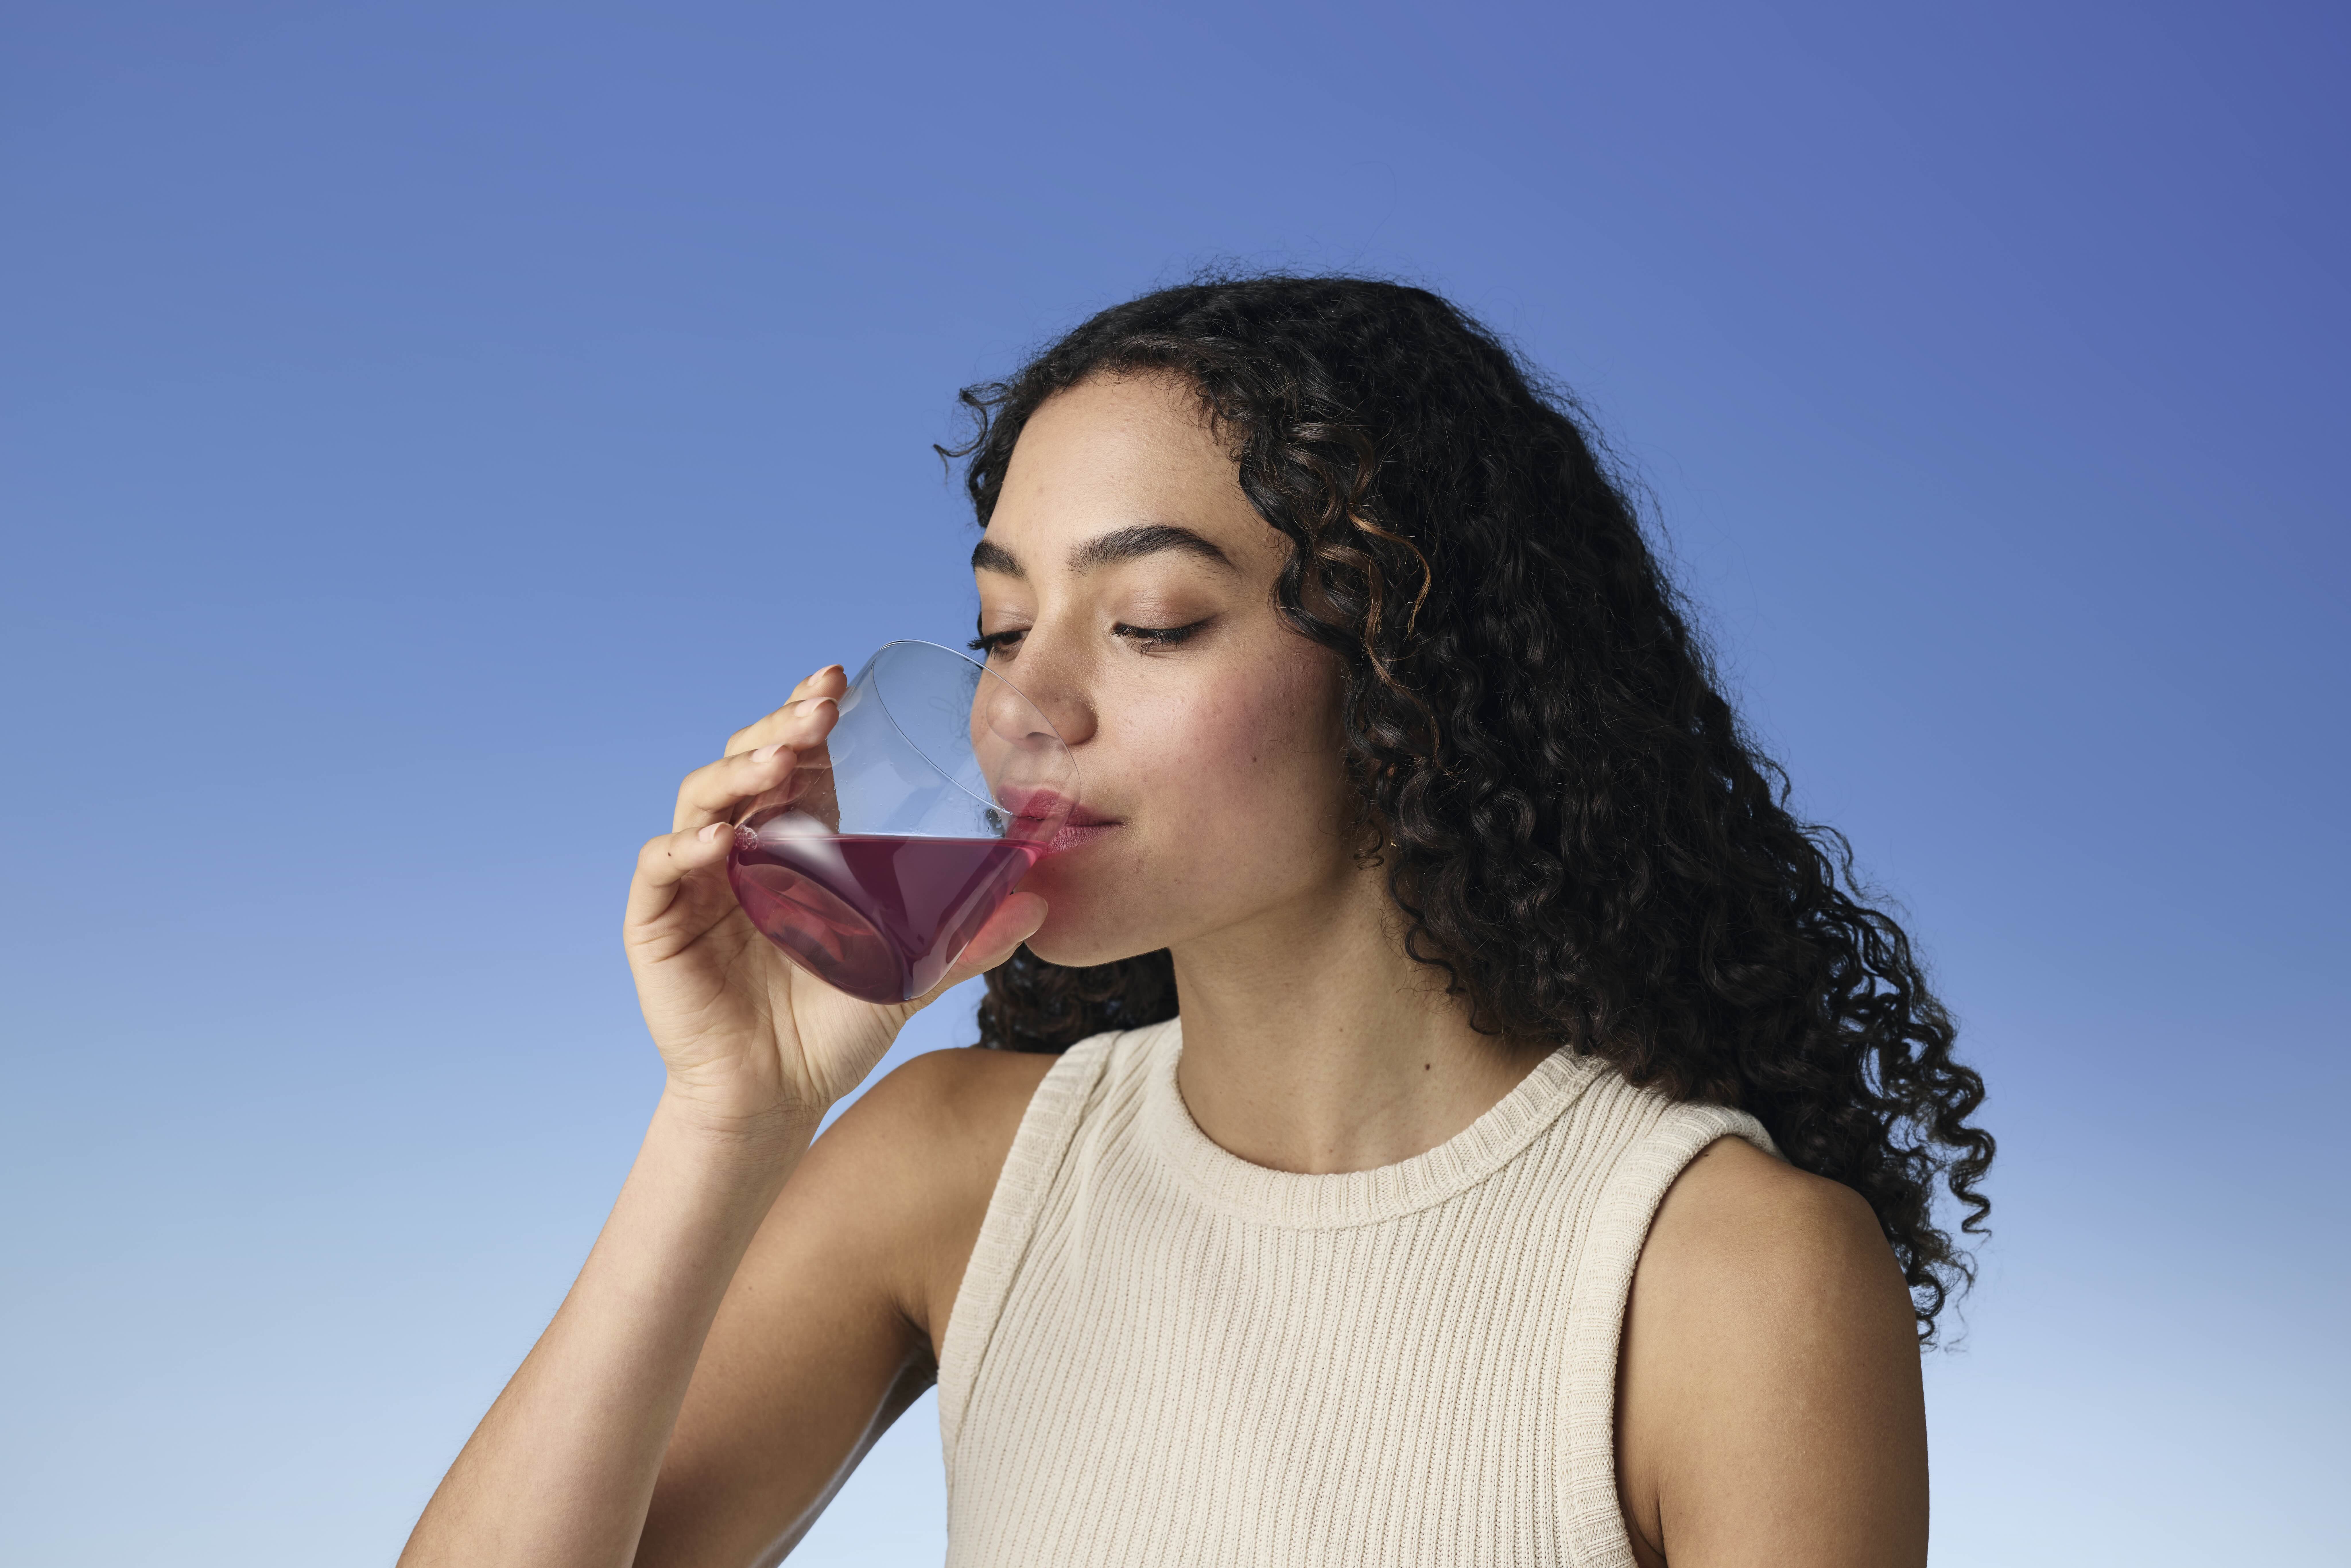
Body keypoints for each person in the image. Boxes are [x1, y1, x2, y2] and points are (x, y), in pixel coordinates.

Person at [399, 276, 1993, 1568]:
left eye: (1152, 621)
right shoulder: (960, 1170)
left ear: (1405, 665)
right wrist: (726, 1115)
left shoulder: (1723, 1271)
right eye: (1001, 623)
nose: (1021, 702)